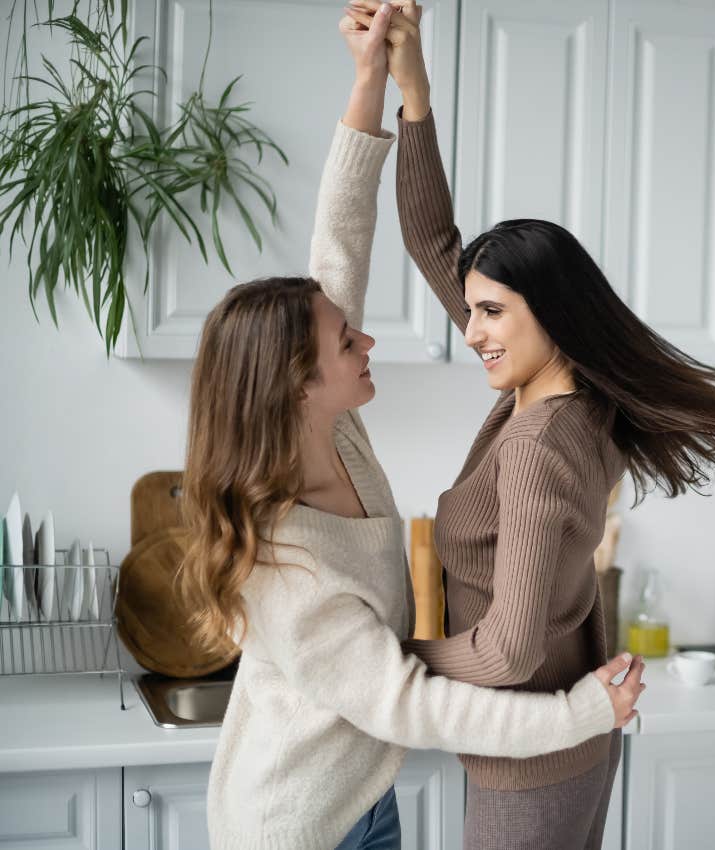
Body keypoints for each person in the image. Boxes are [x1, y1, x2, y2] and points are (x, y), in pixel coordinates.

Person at [177, 7, 645, 850]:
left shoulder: (337, 431)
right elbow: (413, 698)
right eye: (345, 339)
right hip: (299, 824)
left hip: (366, 790)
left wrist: (382, 85)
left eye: (490, 311)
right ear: (298, 386)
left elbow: (341, 245)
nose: (369, 335)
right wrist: (578, 710)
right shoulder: (288, 563)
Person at [343, 2, 715, 847]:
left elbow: (508, 653)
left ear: (546, 311)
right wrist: (414, 95)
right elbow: (432, 237)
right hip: (564, 741)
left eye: (489, 313)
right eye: (471, 309)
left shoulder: (545, 439)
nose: (469, 329)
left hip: (532, 758)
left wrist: (379, 659)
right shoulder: (562, 391)